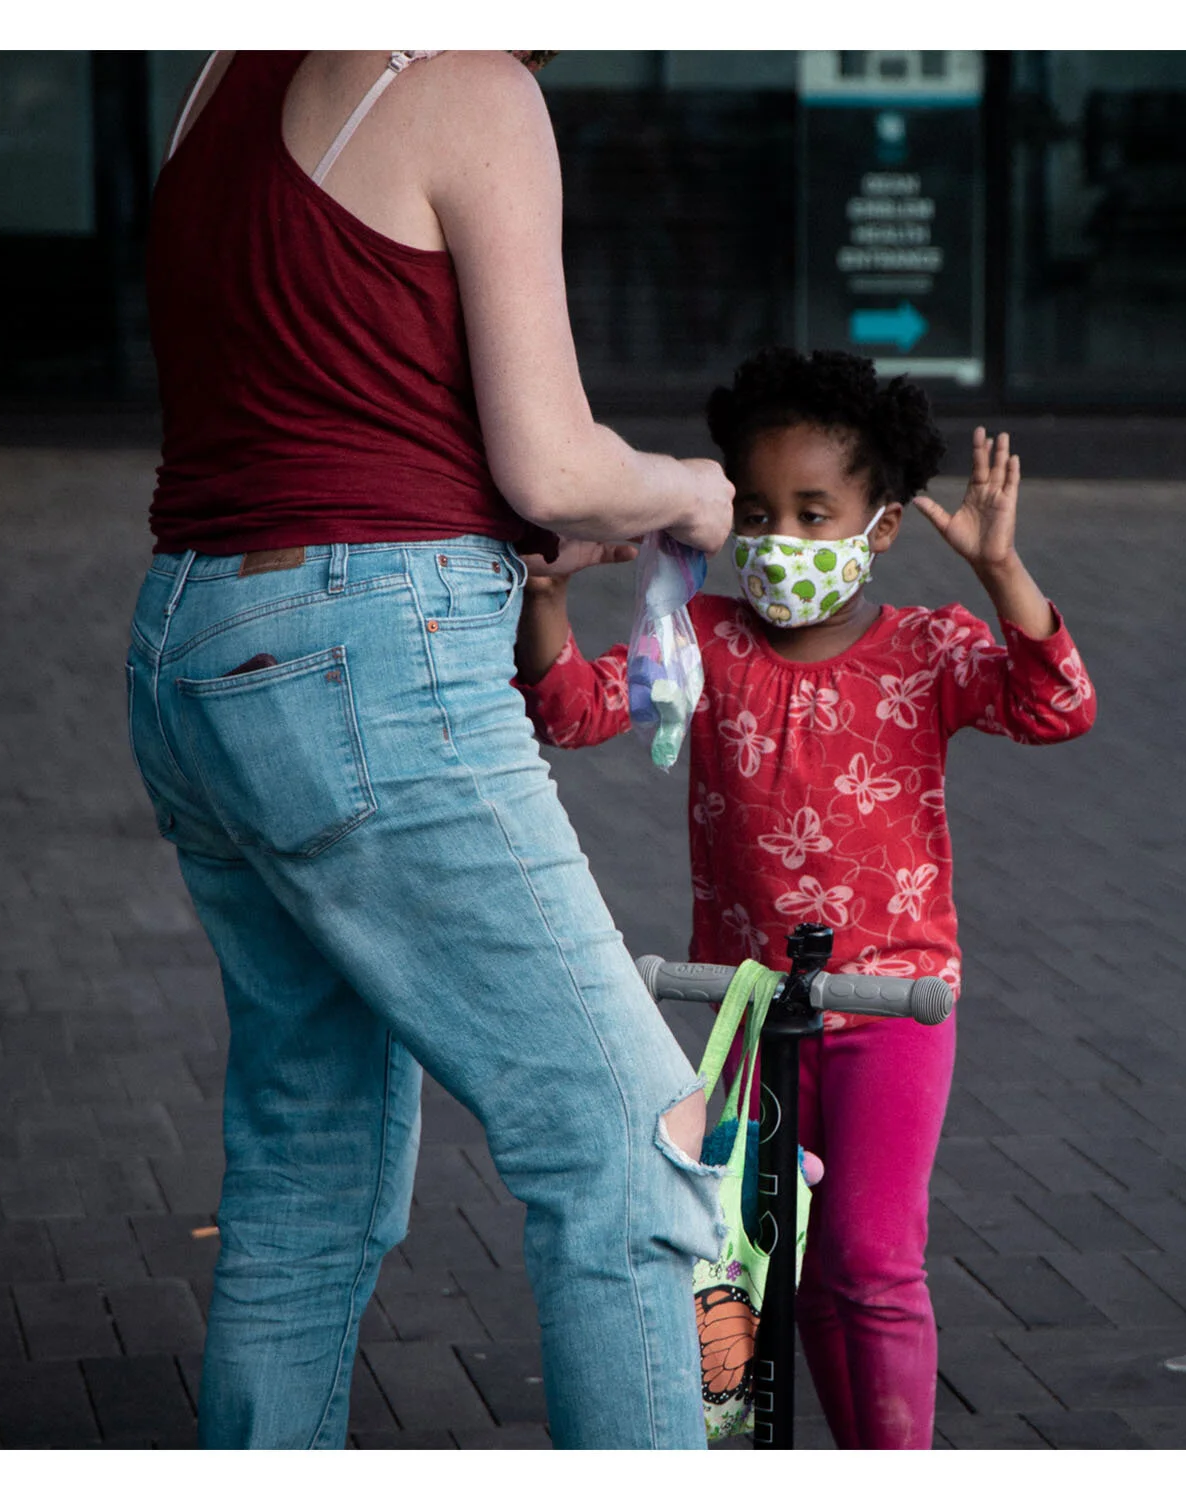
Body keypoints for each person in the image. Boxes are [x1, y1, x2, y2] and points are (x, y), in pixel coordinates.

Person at [124, 50, 735, 1449]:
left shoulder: (220, 75)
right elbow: (553, 463)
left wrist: (508, 532)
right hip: (359, 659)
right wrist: (689, 490)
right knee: (635, 1137)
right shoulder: (469, 84)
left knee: (307, 1164)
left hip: (190, 643)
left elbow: (324, 399)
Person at [513, 348, 1099, 1448]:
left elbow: (1056, 705)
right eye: (757, 512)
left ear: (881, 528)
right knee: (772, 1264)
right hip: (749, 1018)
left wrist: (1001, 571)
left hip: (893, 1012)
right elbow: (572, 710)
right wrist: (545, 596)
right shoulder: (701, 640)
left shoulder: (926, 648)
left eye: (814, 514)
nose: (779, 538)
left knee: (870, 1262)